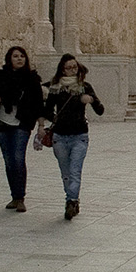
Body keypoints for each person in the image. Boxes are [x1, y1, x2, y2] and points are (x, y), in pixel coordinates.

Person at [43, 54, 105, 220]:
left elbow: (100, 110)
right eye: (68, 68)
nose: (72, 70)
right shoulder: (56, 88)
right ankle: (71, 199)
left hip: (79, 136)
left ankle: (71, 201)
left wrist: (90, 100)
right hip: (60, 136)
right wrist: (54, 119)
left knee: (75, 171)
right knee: (66, 173)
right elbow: (47, 109)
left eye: (74, 67)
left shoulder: (85, 87)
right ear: (62, 69)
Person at [0, 45, 44, 211]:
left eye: (22, 56)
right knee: (9, 161)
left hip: (22, 123)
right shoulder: (2, 76)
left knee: (18, 159)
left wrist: (41, 125)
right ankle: (14, 196)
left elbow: (38, 103)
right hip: (3, 122)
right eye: (15, 56)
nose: (19, 59)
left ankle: (20, 197)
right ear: (9, 59)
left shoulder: (32, 78)